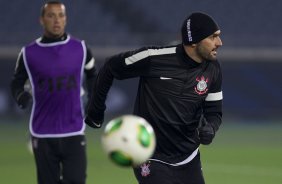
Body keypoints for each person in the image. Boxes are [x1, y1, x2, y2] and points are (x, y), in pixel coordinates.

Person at [85, 12, 223, 184]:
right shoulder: (153, 58)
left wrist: (211, 127)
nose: (219, 43)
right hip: (149, 155)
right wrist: (95, 111)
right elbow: (110, 67)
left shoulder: (213, 69)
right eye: (213, 37)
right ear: (194, 41)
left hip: (189, 157)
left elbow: (214, 112)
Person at [10, 1, 97, 184]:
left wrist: (93, 99)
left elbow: (92, 75)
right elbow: (16, 83)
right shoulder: (28, 53)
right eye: (51, 15)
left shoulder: (80, 49)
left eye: (61, 15)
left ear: (66, 19)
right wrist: (20, 96)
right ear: (42, 20)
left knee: (76, 181)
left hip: (73, 129)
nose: (57, 20)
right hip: (43, 132)